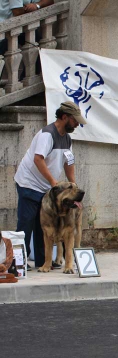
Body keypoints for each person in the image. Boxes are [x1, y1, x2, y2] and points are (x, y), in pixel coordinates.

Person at [14, 101, 86, 269]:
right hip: (28, 183)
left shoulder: (67, 139)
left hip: (47, 189)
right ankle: (18, 262)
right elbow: (38, 159)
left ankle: (43, 262)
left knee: (45, 227)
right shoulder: (47, 135)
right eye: (75, 121)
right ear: (64, 117)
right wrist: (54, 184)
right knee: (26, 223)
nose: (77, 124)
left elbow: (69, 162)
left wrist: (72, 185)